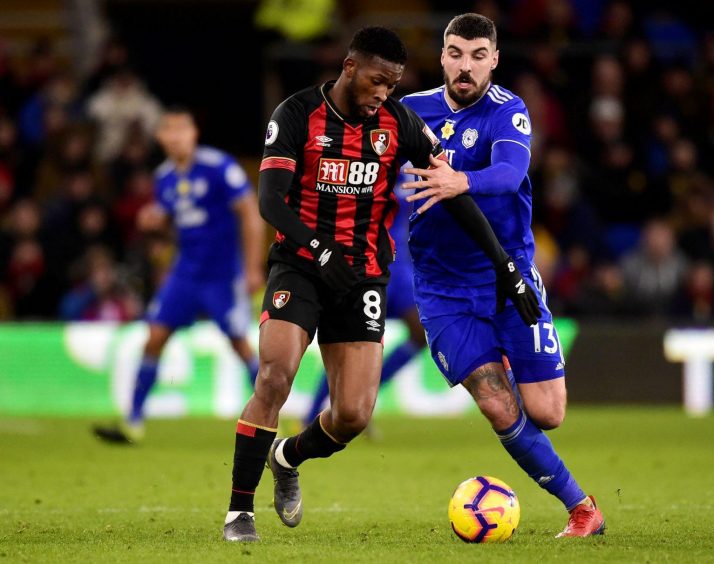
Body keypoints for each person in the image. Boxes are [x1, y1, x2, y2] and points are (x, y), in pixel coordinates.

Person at [222, 26, 541, 542]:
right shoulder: (297, 114)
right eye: (376, 81)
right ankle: (240, 511)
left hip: (364, 274)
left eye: (392, 85)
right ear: (350, 67)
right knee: (275, 376)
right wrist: (320, 248)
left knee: (352, 414)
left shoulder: (399, 122)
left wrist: (505, 265)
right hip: (301, 265)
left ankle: (287, 458)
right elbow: (270, 201)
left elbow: (454, 194)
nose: (383, 94)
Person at [399, 13, 605, 538]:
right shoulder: (410, 111)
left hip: (507, 277)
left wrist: (460, 181)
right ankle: (583, 509)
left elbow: (511, 174)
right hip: (443, 289)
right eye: (455, 54)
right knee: (496, 403)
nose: (465, 66)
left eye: (476, 56)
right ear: (442, 56)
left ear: (493, 60)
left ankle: (509, 364)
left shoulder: (507, 110)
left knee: (547, 412)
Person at [93, 107, 265, 444]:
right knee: (154, 337)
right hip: (185, 272)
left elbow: (250, 214)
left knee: (240, 345)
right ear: (160, 137)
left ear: (193, 133)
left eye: (181, 129)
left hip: (221, 274)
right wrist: (155, 223)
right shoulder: (164, 178)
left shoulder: (219, 167)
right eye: (169, 130)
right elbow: (173, 228)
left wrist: (252, 268)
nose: (176, 137)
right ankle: (132, 422)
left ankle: (273, 420)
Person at [302, 179, 425, 428]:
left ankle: (362, 396)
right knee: (348, 344)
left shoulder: (411, 169)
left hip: (400, 266)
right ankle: (312, 415)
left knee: (420, 333)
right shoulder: (370, 167)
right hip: (366, 262)